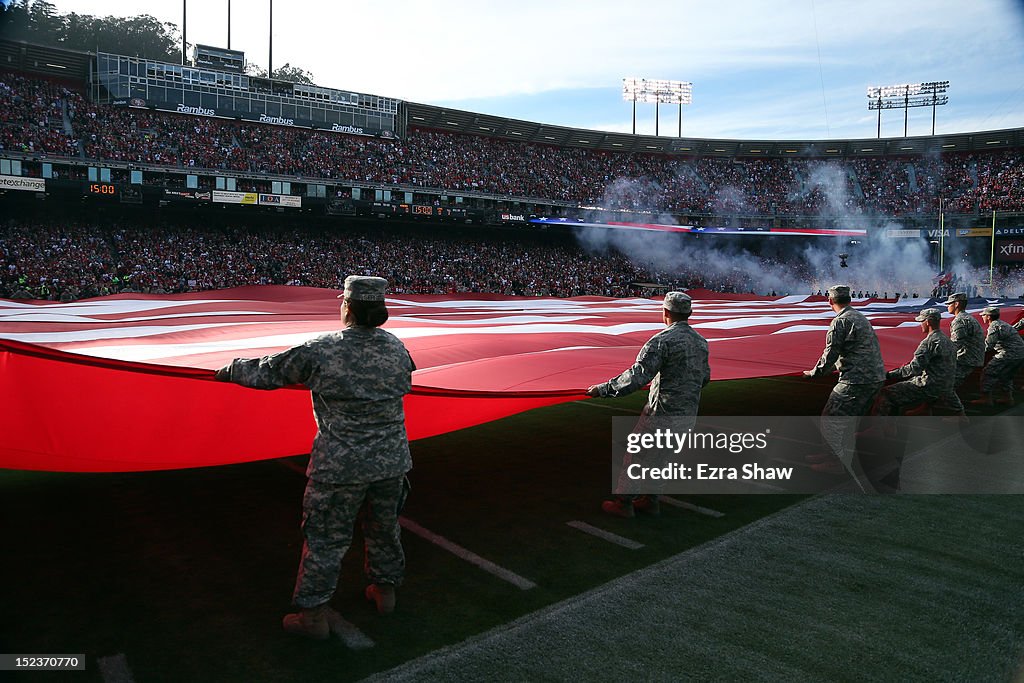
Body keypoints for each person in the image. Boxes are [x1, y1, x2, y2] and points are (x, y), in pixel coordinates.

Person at [215, 275, 415, 639]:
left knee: (325, 539)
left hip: (340, 465)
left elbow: (268, 373)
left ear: (348, 307)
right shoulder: (397, 348)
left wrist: (229, 369)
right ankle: (385, 593)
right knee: (384, 530)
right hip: (391, 461)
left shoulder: (323, 348)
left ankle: (312, 618)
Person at [586, 291, 711, 518]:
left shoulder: (662, 341)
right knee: (662, 459)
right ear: (690, 313)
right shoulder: (701, 343)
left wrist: (603, 389)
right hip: (687, 417)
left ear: (665, 313)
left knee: (637, 456)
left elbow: (638, 376)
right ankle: (651, 501)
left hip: (661, 415)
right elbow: (705, 378)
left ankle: (624, 503)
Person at [802, 285, 886, 475]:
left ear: (830, 301)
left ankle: (835, 462)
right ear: (849, 299)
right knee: (845, 420)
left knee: (830, 419)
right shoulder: (859, 317)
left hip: (857, 379)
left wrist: (814, 373)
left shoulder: (840, 322)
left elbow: (830, 353)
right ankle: (833, 454)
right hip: (875, 377)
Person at [875, 308, 956, 416]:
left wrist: (889, 375)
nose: (921, 324)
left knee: (886, 394)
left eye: (922, 321)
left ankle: (882, 427)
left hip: (930, 386)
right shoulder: (947, 339)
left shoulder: (928, 342)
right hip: (946, 384)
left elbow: (914, 369)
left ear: (928, 322)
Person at [971, 306, 1024, 406]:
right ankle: (1008, 398)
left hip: (1009, 354)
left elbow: (988, 346)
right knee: (1006, 376)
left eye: (983, 315)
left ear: (989, 317)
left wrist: (973, 349)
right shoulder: (1003, 324)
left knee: (988, 372)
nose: (982, 317)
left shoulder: (994, 326)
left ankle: (986, 398)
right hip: (1020, 354)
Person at [941, 292, 984, 412]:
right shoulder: (968, 318)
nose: (947, 306)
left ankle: (959, 414)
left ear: (957, 304)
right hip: (972, 357)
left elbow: (955, 344)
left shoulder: (959, 320)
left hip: (966, 359)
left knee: (946, 385)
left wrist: (940, 357)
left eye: (949, 303)